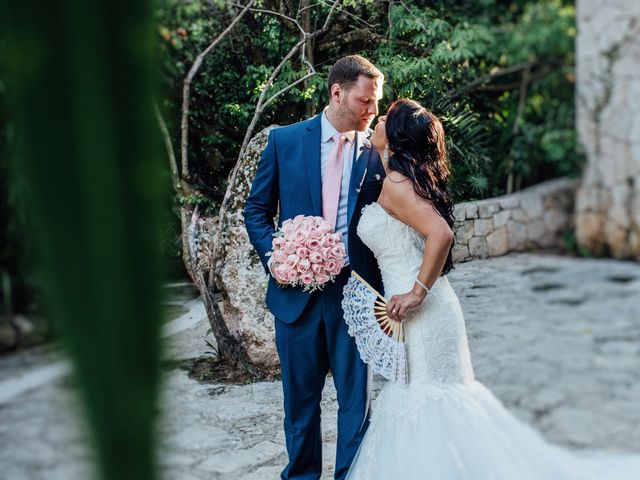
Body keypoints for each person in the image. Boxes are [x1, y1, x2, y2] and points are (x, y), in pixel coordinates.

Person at [345, 98, 640, 479]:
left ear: (397, 138)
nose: (378, 120)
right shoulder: (405, 179)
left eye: (386, 118)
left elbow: (441, 234)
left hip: (422, 312)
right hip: (422, 313)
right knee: (425, 401)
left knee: (429, 403)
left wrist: (417, 292)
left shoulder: (397, 186)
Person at [243, 55, 386, 480]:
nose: (372, 111)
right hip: (295, 298)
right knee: (300, 406)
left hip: (355, 294)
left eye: (376, 102)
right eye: (365, 101)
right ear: (337, 92)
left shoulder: (376, 154)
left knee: (355, 405)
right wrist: (277, 257)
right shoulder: (285, 141)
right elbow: (256, 209)